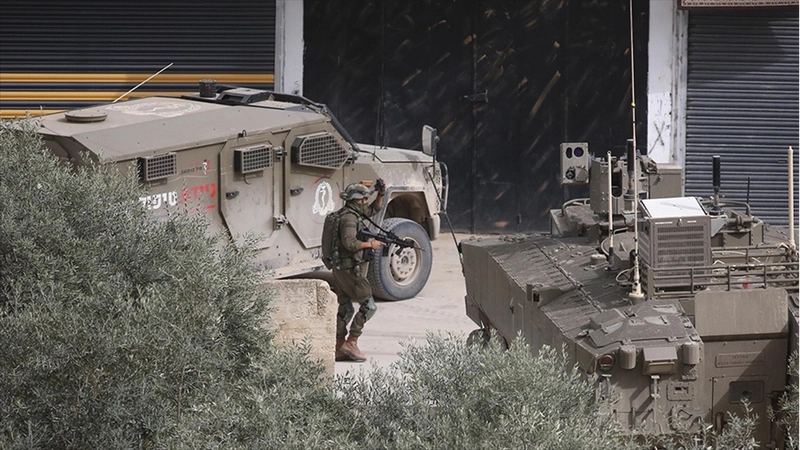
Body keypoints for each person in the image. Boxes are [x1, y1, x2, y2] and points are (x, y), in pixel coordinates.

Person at [333, 180, 386, 362]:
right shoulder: (349, 219)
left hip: (340, 268)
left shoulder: (348, 213)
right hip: (350, 270)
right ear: (356, 201)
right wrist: (370, 244)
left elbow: (373, 210)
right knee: (369, 306)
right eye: (363, 199)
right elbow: (349, 243)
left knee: (345, 308)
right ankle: (351, 342)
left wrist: (380, 194)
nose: (366, 202)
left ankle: (338, 345)